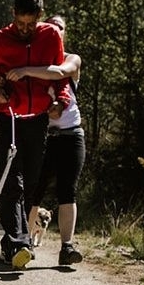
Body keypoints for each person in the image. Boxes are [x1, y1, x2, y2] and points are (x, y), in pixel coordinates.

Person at [0, 0, 70, 268]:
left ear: (39, 16)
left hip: (38, 119)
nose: (25, 30)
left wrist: (61, 102)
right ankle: (19, 243)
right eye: (20, 23)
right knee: (13, 183)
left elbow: (61, 75)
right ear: (13, 14)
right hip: (9, 117)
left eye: (31, 24)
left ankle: (10, 245)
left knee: (32, 184)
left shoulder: (50, 36)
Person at [11, 15, 84, 265]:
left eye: (59, 27)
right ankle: (24, 244)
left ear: (64, 33)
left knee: (68, 191)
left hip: (72, 134)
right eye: (49, 25)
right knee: (33, 191)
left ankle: (67, 247)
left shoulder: (72, 59)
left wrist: (24, 70)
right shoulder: (35, 58)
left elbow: (60, 72)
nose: (54, 29)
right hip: (41, 135)